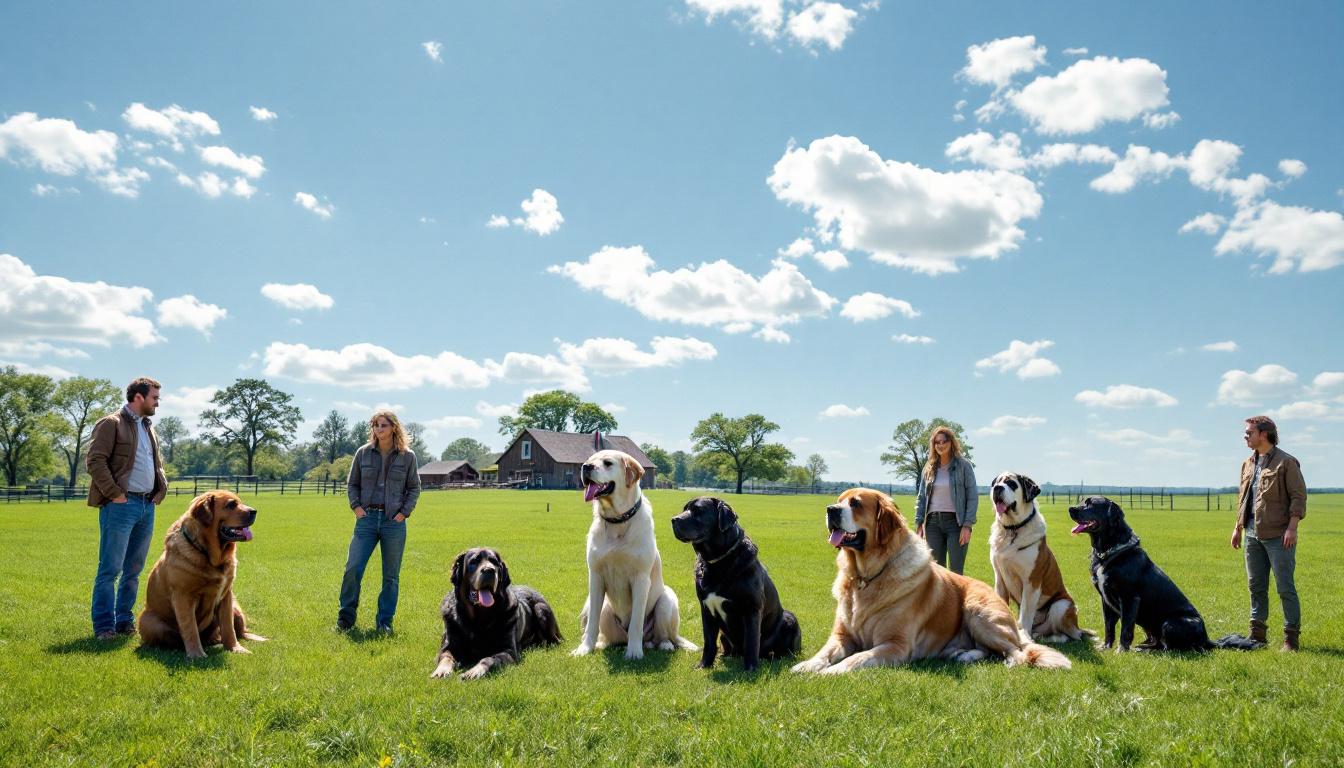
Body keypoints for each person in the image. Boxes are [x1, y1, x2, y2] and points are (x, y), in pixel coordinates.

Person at [86, 377, 168, 640]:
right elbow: (95, 461)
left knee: (133, 570)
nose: (157, 403)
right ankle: (104, 626)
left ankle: (123, 621)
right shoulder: (111, 424)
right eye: (154, 397)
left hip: (146, 506)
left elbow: (156, 464)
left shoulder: (148, 427)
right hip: (120, 506)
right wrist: (115, 494)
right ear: (139, 397)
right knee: (110, 569)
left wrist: (160, 489)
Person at [338, 410, 421, 633]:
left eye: (383, 425)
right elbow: (352, 484)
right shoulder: (363, 453)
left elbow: (414, 487)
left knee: (391, 576)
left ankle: (384, 623)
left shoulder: (407, 456)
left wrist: (404, 513)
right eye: (375, 425)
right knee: (353, 568)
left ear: (394, 427)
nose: (379, 429)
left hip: (393, 522)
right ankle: (345, 620)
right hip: (366, 520)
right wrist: (356, 507)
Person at [1231, 415, 1307, 651]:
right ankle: (1257, 635)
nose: (1245, 436)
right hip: (1251, 535)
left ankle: (1291, 639)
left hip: (1279, 536)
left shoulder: (1286, 462)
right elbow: (1244, 498)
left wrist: (1292, 528)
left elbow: (1298, 497)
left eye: (1249, 433)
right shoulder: (1248, 463)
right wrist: (1237, 527)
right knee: (1255, 585)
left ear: (1263, 434)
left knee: (1285, 587)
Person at [914, 426, 978, 574]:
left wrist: (967, 525)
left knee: (956, 572)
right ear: (933, 445)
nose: (941, 445)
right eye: (937, 442)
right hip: (932, 525)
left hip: (956, 524)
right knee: (936, 573)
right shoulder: (929, 468)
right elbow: (921, 497)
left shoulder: (963, 466)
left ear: (951, 442)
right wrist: (919, 522)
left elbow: (972, 496)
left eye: (944, 441)